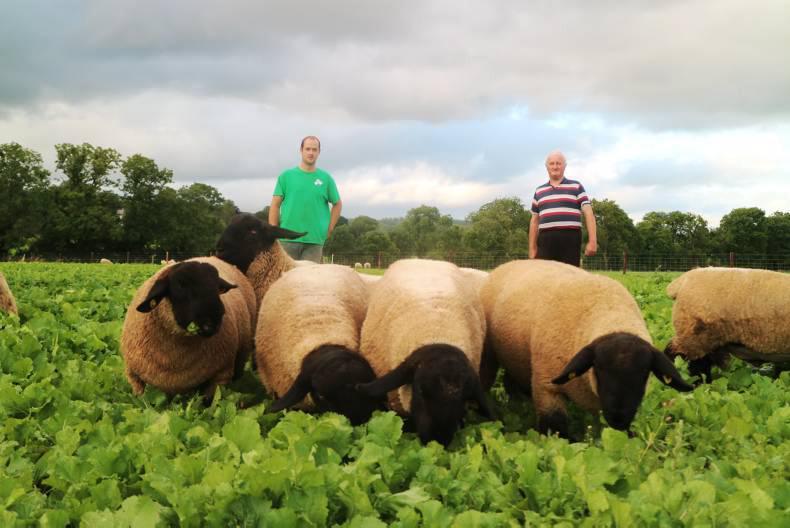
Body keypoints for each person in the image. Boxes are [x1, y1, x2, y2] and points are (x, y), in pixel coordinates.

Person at [269, 136, 342, 263]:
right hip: (287, 239)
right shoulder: (286, 176)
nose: (311, 153)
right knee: (284, 279)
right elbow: (275, 205)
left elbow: (337, 204)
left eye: (314, 150)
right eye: (307, 149)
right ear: (301, 150)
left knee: (311, 281)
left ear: (319, 152)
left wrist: (330, 228)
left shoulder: (326, 179)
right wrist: (273, 231)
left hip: (314, 241)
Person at [528, 150, 597, 267]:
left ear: (564, 166)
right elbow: (534, 221)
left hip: (570, 238)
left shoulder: (576, 186)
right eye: (552, 163)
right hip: (545, 240)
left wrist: (593, 241)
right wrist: (532, 248)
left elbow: (588, 212)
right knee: (545, 276)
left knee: (570, 277)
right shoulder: (539, 191)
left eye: (558, 163)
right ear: (547, 167)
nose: (555, 167)